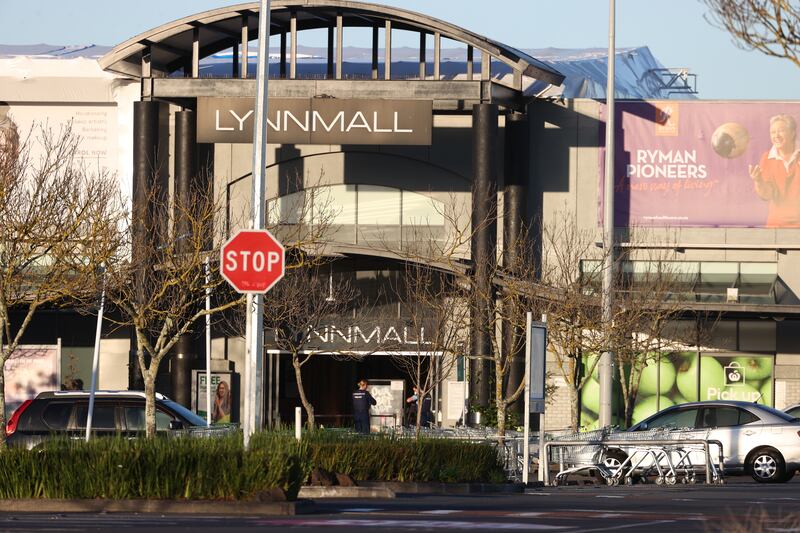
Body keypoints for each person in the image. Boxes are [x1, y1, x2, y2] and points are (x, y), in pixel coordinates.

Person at [750, 114, 800, 227]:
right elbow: (767, 195)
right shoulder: (767, 158)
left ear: (792, 133)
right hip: (776, 226)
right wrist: (758, 181)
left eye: (781, 131)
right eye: (773, 132)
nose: (776, 136)